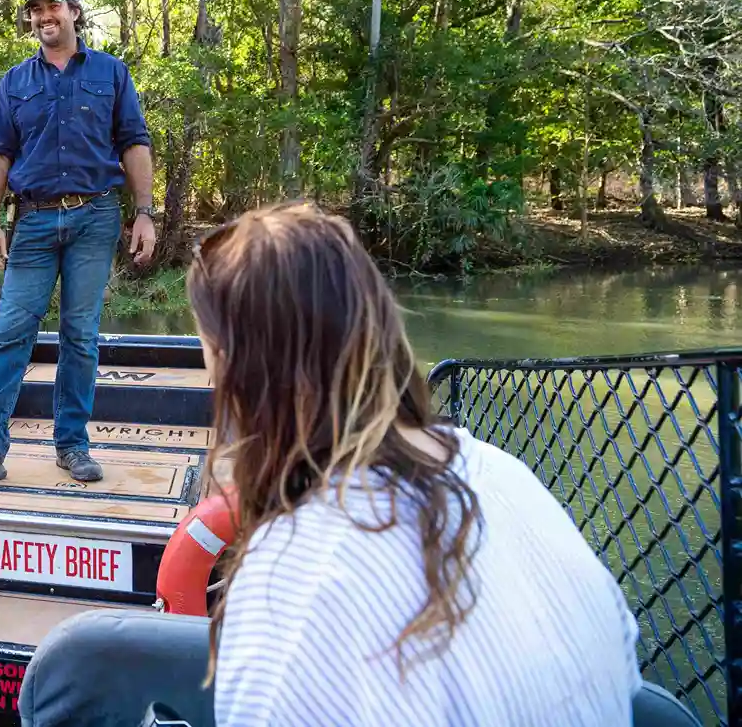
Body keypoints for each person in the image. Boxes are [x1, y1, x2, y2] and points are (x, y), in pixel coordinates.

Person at [188, 203, 642, 726]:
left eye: (212, 364)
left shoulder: (291, 582)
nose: (209, 386)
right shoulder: (504, 474)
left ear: (240, 373)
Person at [0, 0, 156, 492]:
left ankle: (72, 444)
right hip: (31, 220)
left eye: (52, 6)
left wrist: (145, 212)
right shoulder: (15, 81)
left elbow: (134, 142)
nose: (43, 16)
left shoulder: (111, 72)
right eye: (35, 9)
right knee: (11, 332)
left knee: (81, 335)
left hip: (95, 216)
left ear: (74, 11)